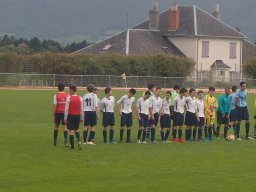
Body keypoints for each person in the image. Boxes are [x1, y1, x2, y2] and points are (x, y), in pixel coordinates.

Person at [64, 85, 83, 150]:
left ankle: (72, 147)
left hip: (71, 116)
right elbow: (82, 109)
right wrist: (82, 118)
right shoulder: (80, 98)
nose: (69, 91)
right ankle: (79, 141)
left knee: (71, 131)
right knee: (76, 129)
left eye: (69, 90)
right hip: (77, 116)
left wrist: (65, 118)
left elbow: (66, 109)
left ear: (72, 90)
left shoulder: (69, 98)